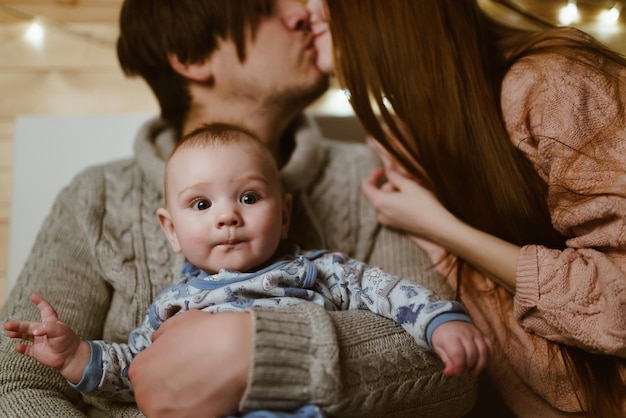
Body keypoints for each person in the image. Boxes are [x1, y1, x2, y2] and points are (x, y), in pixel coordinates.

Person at [0, 1, 480, 417]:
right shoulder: (96, 198)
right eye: (263, 7)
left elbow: (452, 372)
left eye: (251, 198)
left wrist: (248, 351)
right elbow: (17, 383)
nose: (305, 14)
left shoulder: (369, 179)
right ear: (192, 56)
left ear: (285, 210)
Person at [5, 124, 490, 414]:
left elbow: (389, 292)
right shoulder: (170, 307)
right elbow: (131, 371)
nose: (227, 215)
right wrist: (77, 357)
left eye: (249, 197)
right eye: (200, 203)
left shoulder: (316, 270)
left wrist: (440, 321)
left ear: (284, 213)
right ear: (170, 229)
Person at [308, 0, 626, 417]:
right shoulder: (407, 136)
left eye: (322, 8)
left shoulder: (553, 83)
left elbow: (617, 305)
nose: (305, 14)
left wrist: (441, 227)